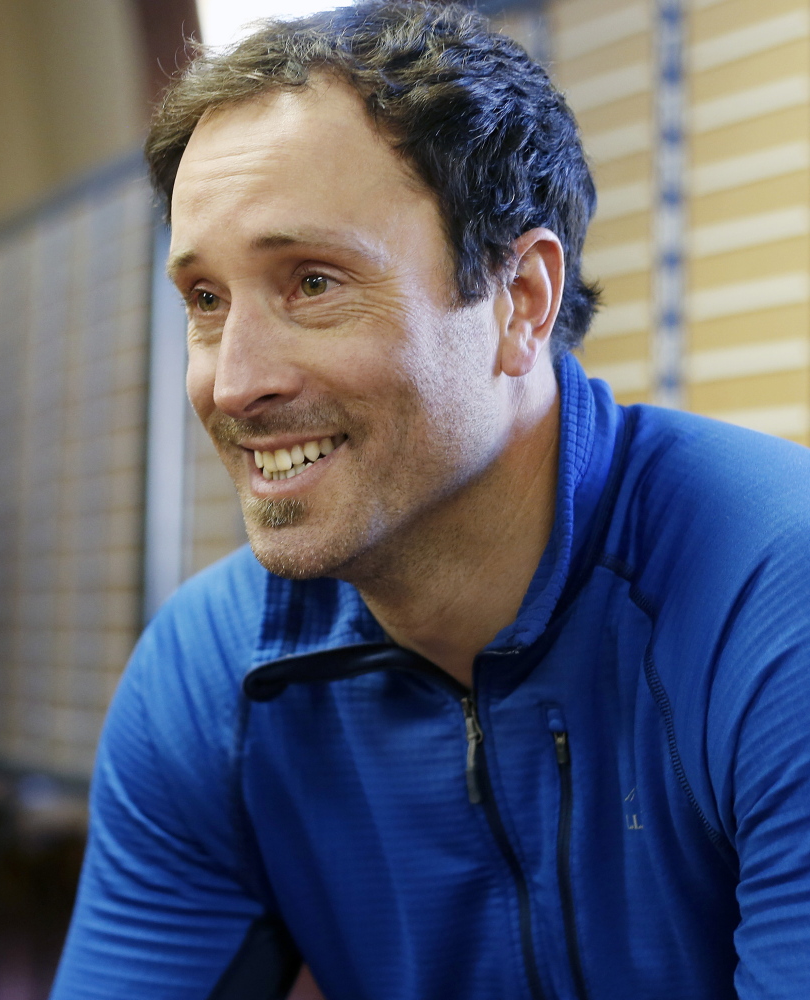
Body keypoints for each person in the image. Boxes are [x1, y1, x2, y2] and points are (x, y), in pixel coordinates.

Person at [50, 2, 810, 998]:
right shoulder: (208, 674)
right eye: (205, 299)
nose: (231, 383)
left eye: (311, 281)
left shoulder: (769, 599)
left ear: (519, 300)